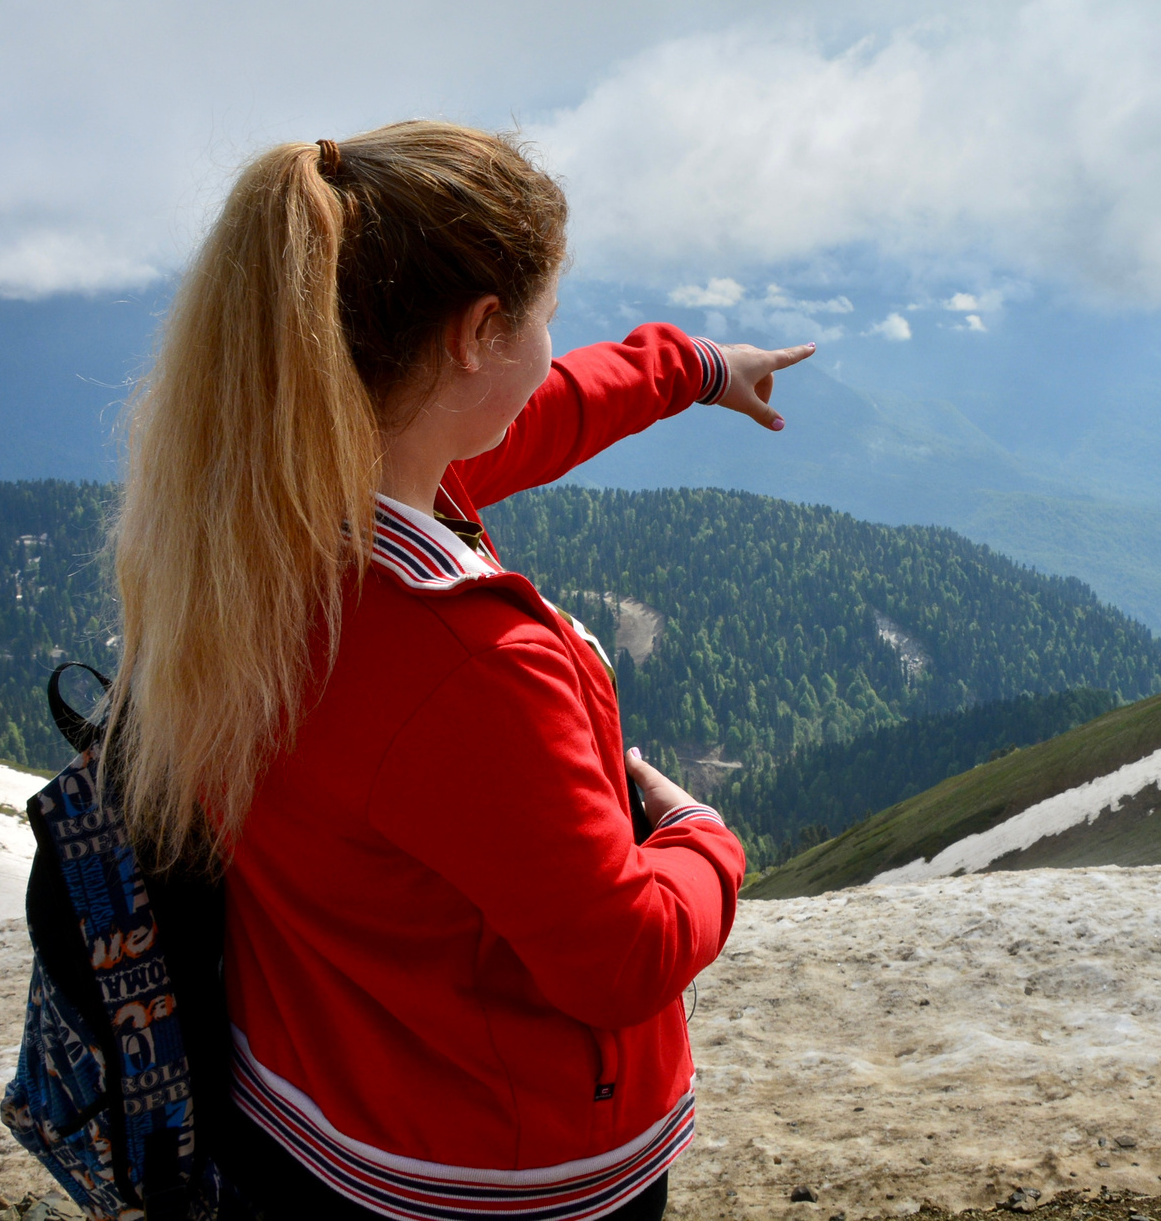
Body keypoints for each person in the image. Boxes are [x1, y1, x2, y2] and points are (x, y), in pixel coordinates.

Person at [104, 121, 812, 1221]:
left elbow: (550, 408)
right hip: (491, 1171)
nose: (549, 352)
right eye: (544, 320)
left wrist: (697, 370)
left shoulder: (250, 515)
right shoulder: (467, 664)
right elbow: (618, 957)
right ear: (478, 333)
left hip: (306, 1112)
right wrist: (704, 839)